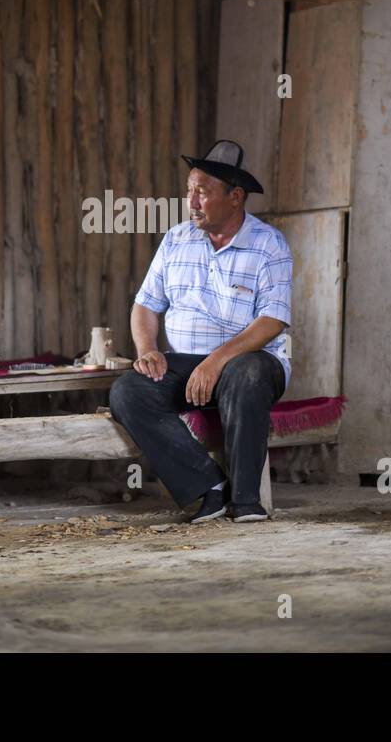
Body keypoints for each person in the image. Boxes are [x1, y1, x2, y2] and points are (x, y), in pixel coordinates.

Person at [109, 139, 292, 523]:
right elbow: (145, 304)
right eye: (189, 190)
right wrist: (148, 349)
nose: (191, 201)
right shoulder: (176, 240)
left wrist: (216, 361)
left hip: (248, 362)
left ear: (235, 197)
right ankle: (209, 487)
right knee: (129, 390)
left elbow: (273, 320)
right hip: (188, 365)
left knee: (248, 372)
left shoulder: (268, 244)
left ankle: (245, 500)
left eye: (203, 193)